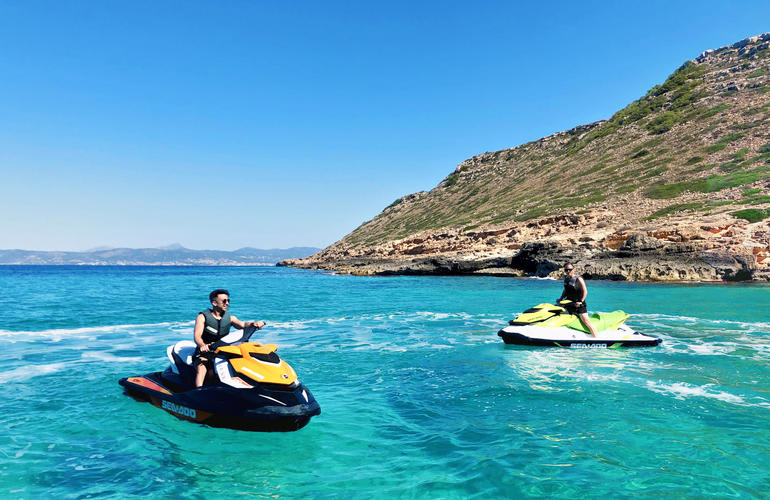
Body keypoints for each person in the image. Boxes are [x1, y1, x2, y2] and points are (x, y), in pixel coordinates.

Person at [193, 289, 265, 387]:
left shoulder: (230, 318)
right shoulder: (202, 317)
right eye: (224, 301)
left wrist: (254, 324)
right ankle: (199, 392)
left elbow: (243, 324)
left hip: (223, 350)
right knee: (202, 367)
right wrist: (202, 346)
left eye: (228, 301)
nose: (227, 303)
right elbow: (197, 336)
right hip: (206, 351)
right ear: (214, 303)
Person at [556, 263, 598, 337]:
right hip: (569, 302)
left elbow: (585, 291)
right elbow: (565, 290)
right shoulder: (566, 279)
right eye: (566, 270)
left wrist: (581, 301)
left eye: (570, 269)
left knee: (586, 321)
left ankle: (596, 337)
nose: (568, 271)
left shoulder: (579, 279)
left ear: (573, 269)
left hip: (579, 303)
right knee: (557, 310)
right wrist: (561, 298)